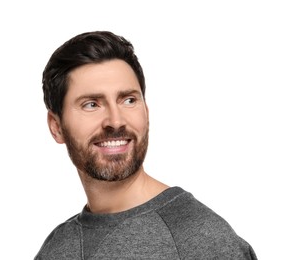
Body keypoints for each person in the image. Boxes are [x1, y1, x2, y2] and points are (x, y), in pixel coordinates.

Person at [34, 31, 257, 260]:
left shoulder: (204, 242)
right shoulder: (56, 248)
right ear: (56, 126)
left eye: (129, 100)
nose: (116, 121)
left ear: (146, 112)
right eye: (92, 104)